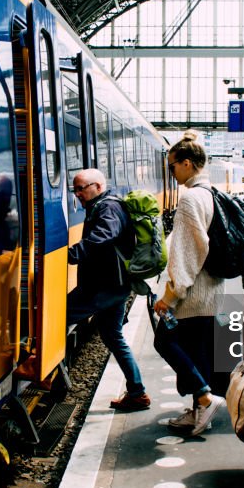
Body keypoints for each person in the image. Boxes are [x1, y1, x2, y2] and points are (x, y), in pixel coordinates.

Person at [153, 131, 226, 436]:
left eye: (172, 167)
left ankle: (205, 399)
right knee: (197, 351)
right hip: (212, 289)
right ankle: (199, 408)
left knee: (164, 341)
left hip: (192, 295)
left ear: (186, 163)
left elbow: (187, 254)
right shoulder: (212, 194)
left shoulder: (190, 200)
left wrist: (169, 297)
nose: (171, 174)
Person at [67, 169, 150, 412]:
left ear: (98, 186)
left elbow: (103, 235)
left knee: (55, 317)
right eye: (75, 189)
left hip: (102, 287)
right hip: (113, 285)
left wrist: (72, 254)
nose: (78, 194)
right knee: (113, 337)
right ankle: (137, 392)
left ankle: (42, 372)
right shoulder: (103, 205)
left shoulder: (108, 208)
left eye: (81, 188)